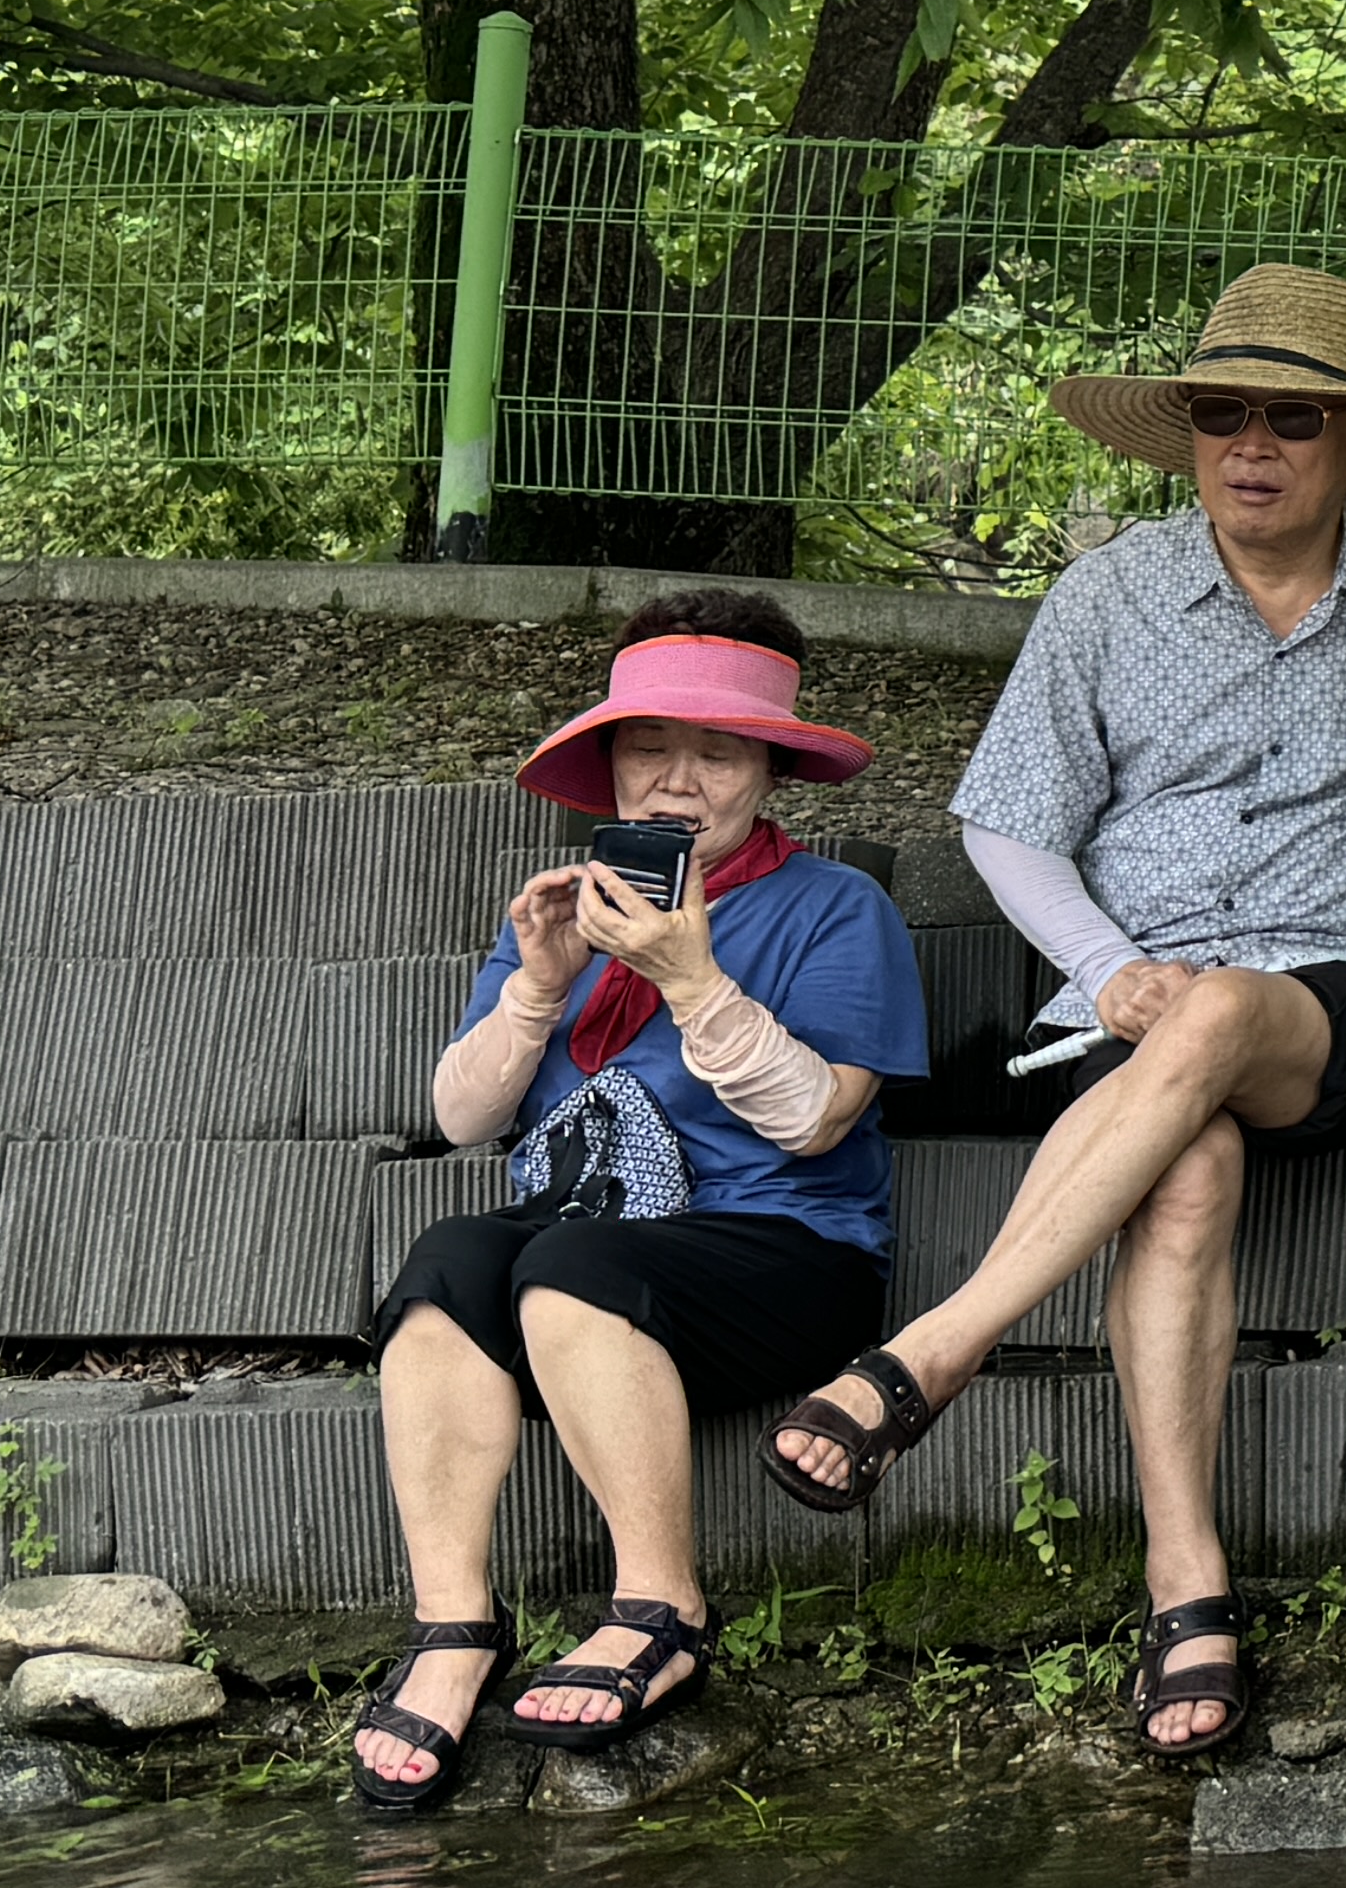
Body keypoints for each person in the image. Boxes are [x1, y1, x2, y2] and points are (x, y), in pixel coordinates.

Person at [759, 267, 1346, 1764]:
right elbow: (1007, 825)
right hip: (1141, 998)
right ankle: (1186, 1581)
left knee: (1222, 1010)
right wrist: (1107, 962)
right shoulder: (1110, 598)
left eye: (1295, 419)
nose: (1254, 446)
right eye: (1222, 415)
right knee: (1183, 1157)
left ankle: (936, 1351)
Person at [348, 596, 929, 1813]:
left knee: (573, 1265)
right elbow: (461, 1119)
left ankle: (661, 1608)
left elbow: (818, 1118)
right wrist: (537, 993)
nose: (677, 781)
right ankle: (455, 1623)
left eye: (717, 752)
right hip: (585, 1234)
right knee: (450, 1255)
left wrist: (690, 977)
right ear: (609, 763)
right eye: (648, 747)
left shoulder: (837, 908)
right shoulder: (567, 909)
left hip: (784, 1248)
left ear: (769, 770)